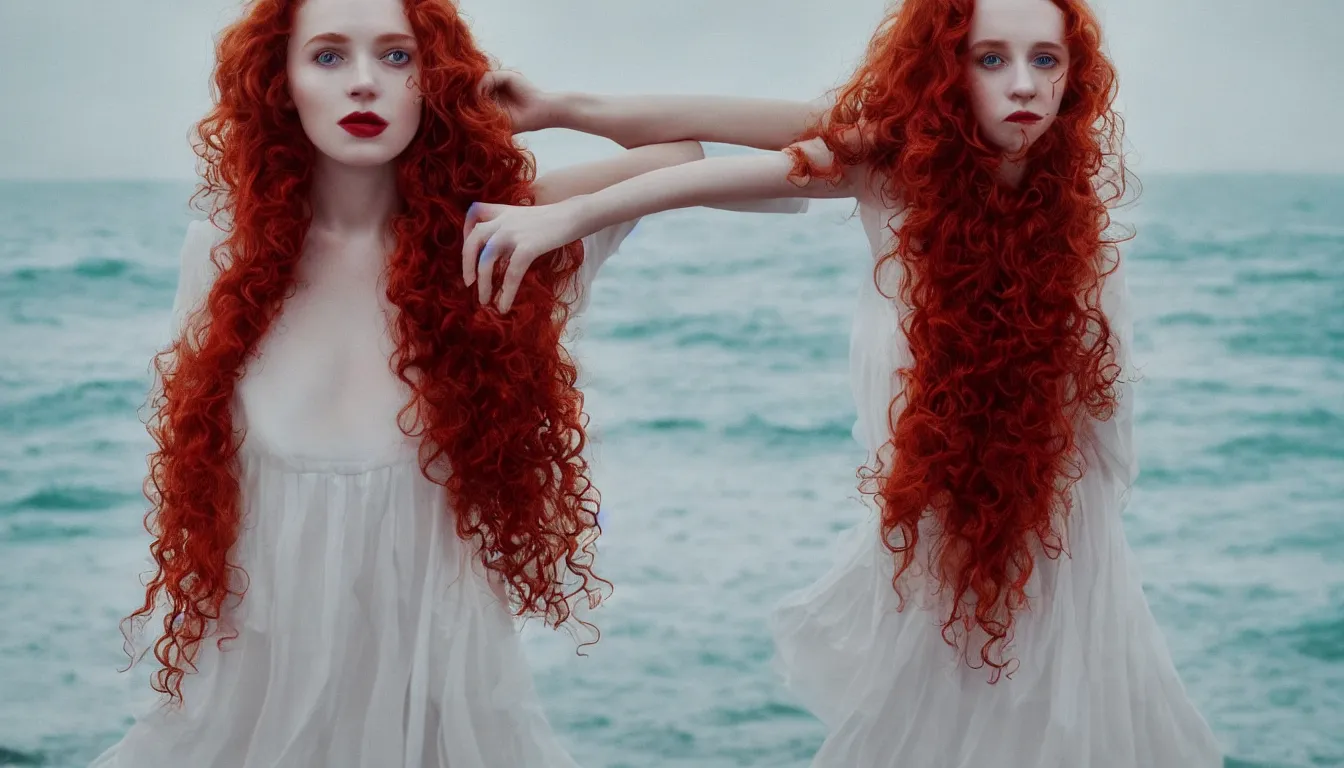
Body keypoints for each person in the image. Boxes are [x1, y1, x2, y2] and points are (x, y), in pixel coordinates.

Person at [461, 0, 1224, 765]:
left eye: (1046, 61)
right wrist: (566, 166)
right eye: (990, 59)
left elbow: (1102, 425)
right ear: (949, 73)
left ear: (1075, 75)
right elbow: (720, 168)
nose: (1023, 85)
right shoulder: (901, 169)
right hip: (947, 523)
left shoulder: (1072, 207)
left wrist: (569, 113)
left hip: (1067, 534)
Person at [88, 0, 798, 765]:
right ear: (280, 81)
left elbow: (764, 163)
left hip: (447, 727)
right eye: (328, 56)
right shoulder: (223, 259)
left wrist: (565, 110)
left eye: (398, 58)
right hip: (246, 724)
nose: (365, 83)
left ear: (437, 81)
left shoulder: (503, 240)